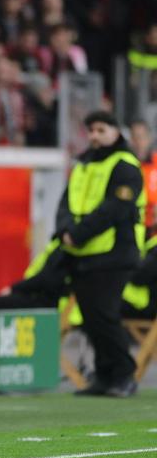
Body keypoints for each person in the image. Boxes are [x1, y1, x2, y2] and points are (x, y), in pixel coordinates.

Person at [57, 110, 144, 398]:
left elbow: (114, 210)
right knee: (91, 317)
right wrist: (64, 230)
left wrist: (78, 233)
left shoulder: (125, 166)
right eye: (91, 130)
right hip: (84, 253)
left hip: (115, 253)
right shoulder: (83, 164)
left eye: (101, 129)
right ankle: (104, 375)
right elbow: (66, 202)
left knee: (104, 315)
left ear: (116, 132)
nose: (95, 136)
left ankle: (124, 373)